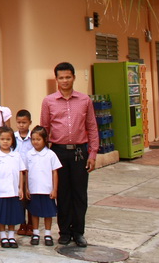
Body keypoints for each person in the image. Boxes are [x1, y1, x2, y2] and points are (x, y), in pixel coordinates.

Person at [40, 62, 99, 248]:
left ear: (74, 77)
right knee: (62, 194)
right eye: (61, 78)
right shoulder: (48, 101)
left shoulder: (85, 100)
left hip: (80, 152)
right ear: (56, 79)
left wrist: (93, 153)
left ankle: (78, 232)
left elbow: (92, 127)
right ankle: (64, 232)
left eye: (68, 77)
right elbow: (44, 129)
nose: (65, 81)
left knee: (79, 194)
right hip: (58, 152)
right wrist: (44, 157)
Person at [24, 125, 61, 247]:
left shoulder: (50, 154)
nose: (35, 142)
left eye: (38, 139)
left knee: (48, 213)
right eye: (33, 139)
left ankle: (48, 233)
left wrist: (54, 189)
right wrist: (27, 188)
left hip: (47, 189)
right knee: (34, 212)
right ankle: (35, 233)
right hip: (34, 189)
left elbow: (54, 172)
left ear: (45, 139)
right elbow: (26, 172)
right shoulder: (29, 154)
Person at [0, 126, 25, 248]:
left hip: (14, 191)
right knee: (2, 214)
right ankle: (3, 235)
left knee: (12, 214)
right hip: (1, 191)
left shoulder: (16, 155)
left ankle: (11, 235)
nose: (5, 142)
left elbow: (20, 172)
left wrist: (20, 188)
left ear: (12, 141)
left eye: (8, 139)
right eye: (2, 139)